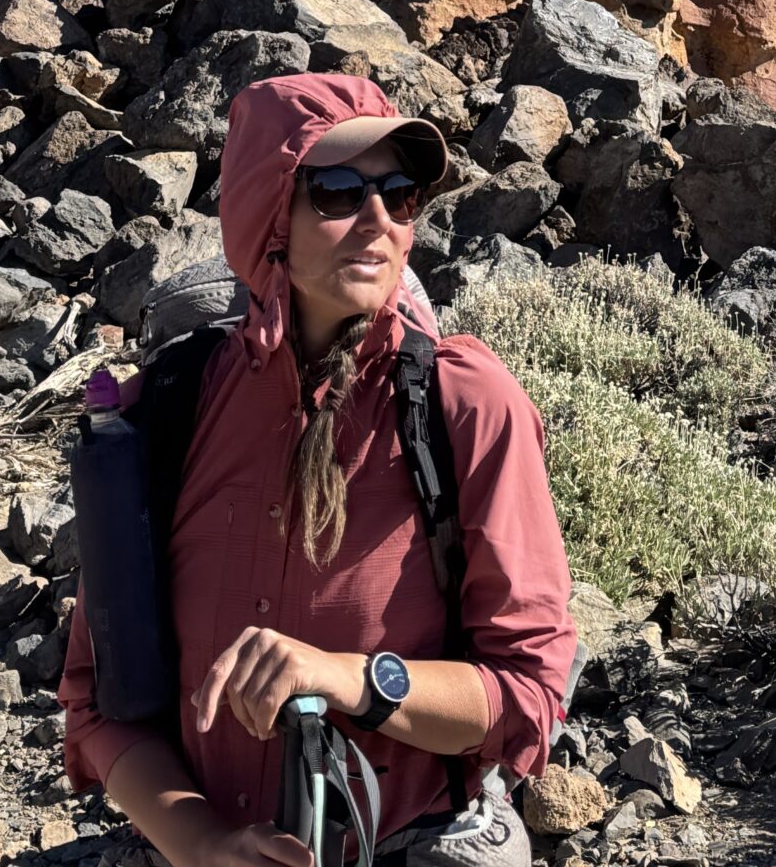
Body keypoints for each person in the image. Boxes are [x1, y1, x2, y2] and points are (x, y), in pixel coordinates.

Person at [60, 71, 579, 867]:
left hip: (407, 844)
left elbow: (529, 694)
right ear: (266, 213)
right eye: (337, 191)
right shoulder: (172, 405)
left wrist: (350, 678)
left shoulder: (463, 404)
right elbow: (100, 701)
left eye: (399, 195)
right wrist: (203, 845)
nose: (377, 220)